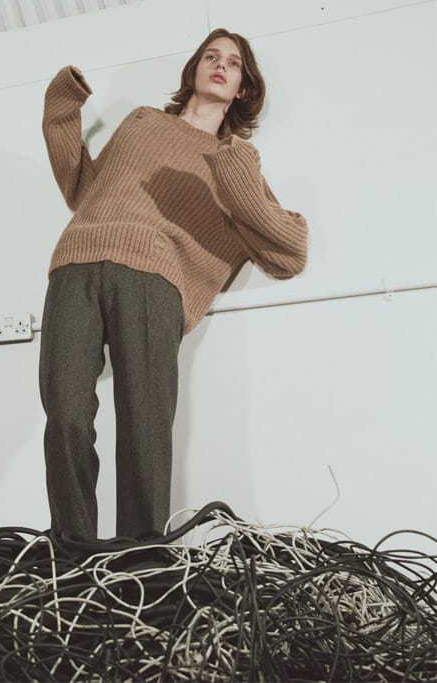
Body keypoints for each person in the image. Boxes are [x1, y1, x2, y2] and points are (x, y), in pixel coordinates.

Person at [40, 28, 308, 541]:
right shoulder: (142, 121)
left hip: (153, 280)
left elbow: (289, 249)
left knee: (145, 425)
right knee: (65, 415)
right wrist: (61, 113)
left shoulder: (234, 161)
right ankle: (71, 554)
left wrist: (235, 174)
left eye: (233, 63)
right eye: (211, 56)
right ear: (194, 69)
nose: (220, 65)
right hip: (75, 263)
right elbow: (83, 189)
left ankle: (142, 559)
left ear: (243, 90)